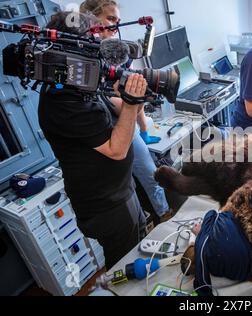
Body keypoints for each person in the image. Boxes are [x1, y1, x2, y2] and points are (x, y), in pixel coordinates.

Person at [39, 11, 148, 270]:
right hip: (106, 207)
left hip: (122, 191)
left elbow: (119, 108)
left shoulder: (81, 80)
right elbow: (117, 149)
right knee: (127, 267)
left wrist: (132, 94)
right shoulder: (61, 98)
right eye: (93, 41)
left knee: (141, 245)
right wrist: (133, 102)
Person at [80, 0, 174, 223]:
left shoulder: (116, 54)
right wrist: (135, 100)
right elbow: (123, 103)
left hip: (127, 126)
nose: (115, 26)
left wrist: (143, 128)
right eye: (110, 19)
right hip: (106, 135)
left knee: (150, 175)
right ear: (91, 20)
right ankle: (151, 219)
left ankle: (163, 214)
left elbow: (132, 93)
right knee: (129, 187)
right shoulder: (87, 62)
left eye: (118, 21)